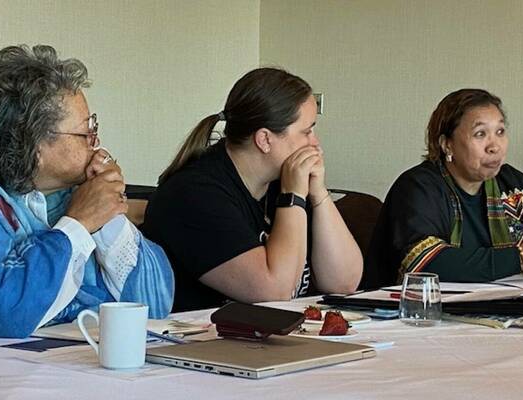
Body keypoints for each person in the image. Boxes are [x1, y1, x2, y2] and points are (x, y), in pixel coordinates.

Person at [0, 45, 174, 338]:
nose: (96, 142)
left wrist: (106, 213)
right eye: (86, 132)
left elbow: (154, 305)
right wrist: (77, 225)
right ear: (34, 143)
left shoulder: (74, 191)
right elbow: (5, 312)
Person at [143, 67, 362, 311]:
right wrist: (292, 198)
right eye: (307, 131)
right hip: (197, 343)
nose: (315, 142)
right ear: (265, 140)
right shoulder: (194, 193)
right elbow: (273, 292)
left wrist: (319, 194)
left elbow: (344, 282)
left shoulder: (286, 180)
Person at [366, 88, 523, 287]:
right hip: (408, 317)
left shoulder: (513, 185)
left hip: (504, 312)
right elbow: (424, 263)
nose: (494, 146)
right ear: (447, 144)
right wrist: (520, 259)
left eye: (500, 131)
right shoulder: (418, 187)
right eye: (480, 134)